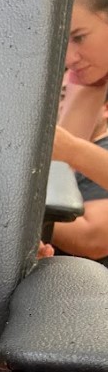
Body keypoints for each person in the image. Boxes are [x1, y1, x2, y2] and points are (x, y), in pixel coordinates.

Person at [53, 0, 108, 193]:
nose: (69, 59)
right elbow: (57, 171)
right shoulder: (92, 71)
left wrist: (73, 151)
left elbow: (65, 149)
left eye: (79, 38)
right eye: (62, 43)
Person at [53, 92, 108, 263]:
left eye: (66, 96)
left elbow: (92, 238)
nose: (64, 105)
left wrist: (23, 215)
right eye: (61, 97)